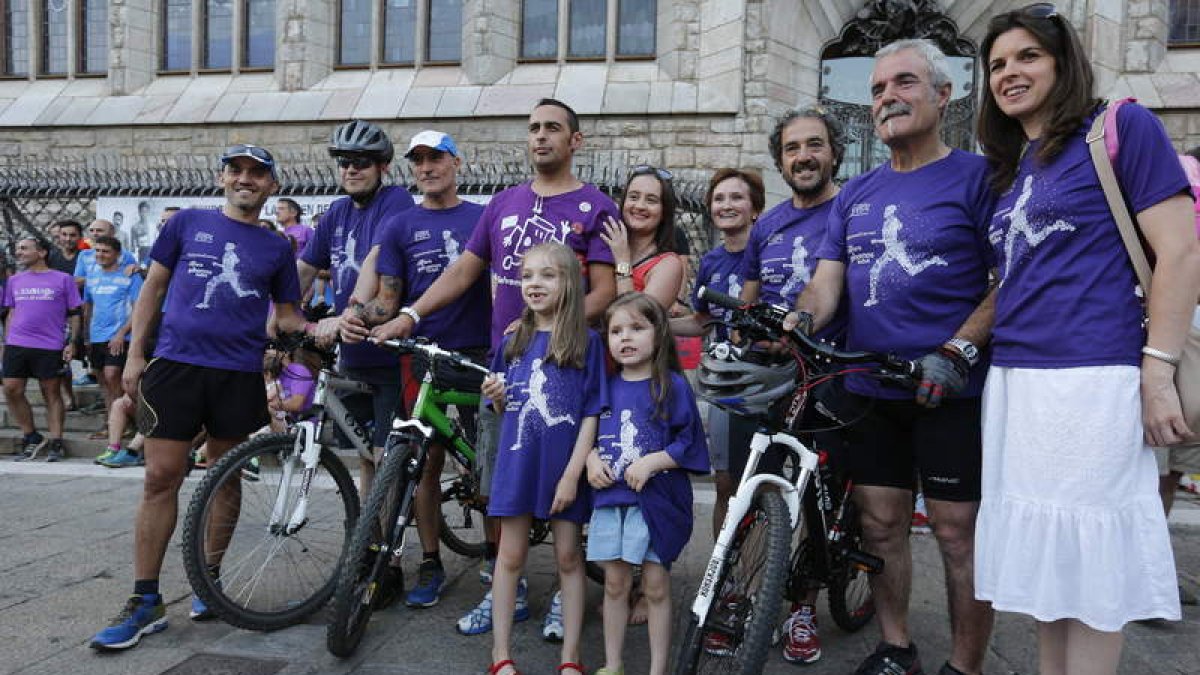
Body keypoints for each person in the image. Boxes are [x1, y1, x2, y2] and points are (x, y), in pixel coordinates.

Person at [972, 7, 1200, 674]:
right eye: (997, 65)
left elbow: (1181, 253)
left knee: (1095, 568)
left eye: (1027, 57)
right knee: (1052, 564)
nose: (1010, 73)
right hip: (1018, 381)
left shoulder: (1121, 127)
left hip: (1093, 377)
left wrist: (1156, 370)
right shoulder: (1017, 165)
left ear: (1062, 61)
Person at [372, 99, 618, 640]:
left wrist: (548, 324)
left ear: (575, 141)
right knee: (496, 485)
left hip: (564, 372)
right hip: (503, 371)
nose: (541, 136)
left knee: (565, 495)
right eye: (533, 128)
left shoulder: (596, 206)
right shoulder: (503, 203)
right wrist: (411, 314)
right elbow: (465, 269)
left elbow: (604, 292)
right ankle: (508, 587)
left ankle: (563, 593)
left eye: (553, 128)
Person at [788, 38, 997, 675]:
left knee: (959, 535)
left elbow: (1007, 279)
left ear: (943, 94)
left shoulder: (979, 177)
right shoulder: (855, 194)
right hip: (870, 389)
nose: (886, 98)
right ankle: (896, 645)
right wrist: (796, 321)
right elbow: (827, 282)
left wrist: (959, 349)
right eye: (877, 89)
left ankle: (965, 666)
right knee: (881, 527)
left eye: (903, 83)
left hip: (948, 391)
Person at [88, 143, 307, 651]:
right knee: (160, 478)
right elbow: (153, 290)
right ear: (222, 177)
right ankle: (145, 600)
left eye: (257, 173)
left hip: (237, 373)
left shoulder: (277, 248)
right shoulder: (186, 223)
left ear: (272, 185)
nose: (246, 179)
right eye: (237, 170)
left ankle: (209, 581)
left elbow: (290, 315)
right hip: (177, 367)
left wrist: (326, 330)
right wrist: (137, 355)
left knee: (224, 477)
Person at [341, 129, 490, 609]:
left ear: (456, 163)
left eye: (436, 159)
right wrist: (351, 317)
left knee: (487, 462)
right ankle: (429, 560)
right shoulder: (400, 225)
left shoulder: (483, 216)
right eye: (418, 161)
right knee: (421, 467)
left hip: (477, 353)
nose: (426, 168)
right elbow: (387, 301)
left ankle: (498, 555)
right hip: (420, 358)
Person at [740, 107, 847, 665]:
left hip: (828, 374)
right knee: (756, 487)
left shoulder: (848, 210)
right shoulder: (766, 225)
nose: (803, 156)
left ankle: (803, 608)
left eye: (814, 145)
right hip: (772, 378)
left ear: (833, 152)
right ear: (780, 159)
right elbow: (751, 297)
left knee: (815, 499)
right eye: (791, 148)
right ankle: (746, 596)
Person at [480, 242, 603, 675]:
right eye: (528, 275)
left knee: (569, 558)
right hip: (519, 465)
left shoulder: (587, 343)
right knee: (509, 557)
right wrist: (495, 398)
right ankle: (500, 654)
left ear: (569, 282)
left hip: (563, 468)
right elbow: (505, 408)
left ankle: (571, 655)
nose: (535, 284)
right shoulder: (513, 341)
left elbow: (592, 413)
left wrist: (572, 475)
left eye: (547, 275)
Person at [586, 292, 709, 675]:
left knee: (655, 587)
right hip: (611, 499)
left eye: (637, 328)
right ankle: (613, 664)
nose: (625, 337)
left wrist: (655, 461)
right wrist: (590, 459)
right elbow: (585, 433)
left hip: (656, 502)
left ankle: (658, 669)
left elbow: (689, 441)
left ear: (658, 334)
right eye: (616, 330)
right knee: (615, 585)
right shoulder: (604, 386)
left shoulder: (670, 384)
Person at [297, 119, 415, 506]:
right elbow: (305, 270)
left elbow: (378, 259)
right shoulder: (335, 212)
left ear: (382, 167)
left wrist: (348, 313)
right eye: (345, 162)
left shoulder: (395, 201)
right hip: (351, 354)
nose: (351, 169)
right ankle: (372, 541)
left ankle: (388, 559)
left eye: (362, 162)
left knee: (385, 457)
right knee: (367, 457)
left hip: (387, 353)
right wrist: (277, 314)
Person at [670, 168, 763, 541]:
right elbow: (704, 322)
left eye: (736, 197)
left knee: (763, 482)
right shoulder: (710, 261)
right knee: (726, 482)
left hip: (768, 374)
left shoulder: (770, 253)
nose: (726, 205)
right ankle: (724, 577)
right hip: (728, 380)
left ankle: (764, 568)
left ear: (755, 208)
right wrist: (654, 322)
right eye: (719, 199)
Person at [1, 237, 82, 462]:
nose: (19, 252)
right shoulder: (15, 280)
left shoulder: (64, 279)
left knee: (51, 393)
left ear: (42, 252)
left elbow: (75, 313)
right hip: (17, 344)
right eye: (18, 248)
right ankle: (32, 436)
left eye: (24, 248)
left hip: (49, 344)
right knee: (11, 389)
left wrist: (72, 342)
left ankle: (56, 441)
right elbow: (11, 313)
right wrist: (6, 344)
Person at [82, 236, 143, 462]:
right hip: (96, 337)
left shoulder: (130, 276)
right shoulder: (92, 276)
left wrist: (121, 333)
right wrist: (85, 336)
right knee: (104, 383)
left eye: (105, 251)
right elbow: (88, 306)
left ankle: (134, 423)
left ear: (117, 254)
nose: (100, 255)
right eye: (97, 251)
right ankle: (115, 425)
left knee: (113, 375)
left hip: (120, 337)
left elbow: (138, 309)